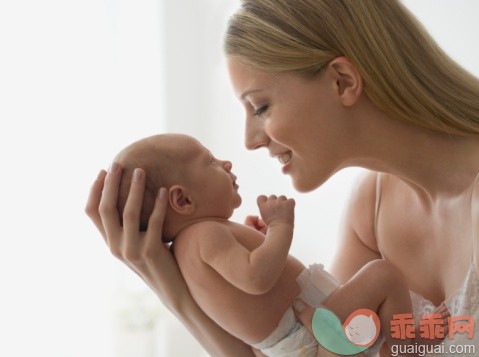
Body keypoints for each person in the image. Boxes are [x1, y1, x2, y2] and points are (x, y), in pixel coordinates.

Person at [86, 0, 479, 356]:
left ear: (342, 81)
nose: (250, 141)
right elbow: (320, 350)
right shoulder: (371, 207)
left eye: (260, 107)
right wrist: (169, 285)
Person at [113, 133, 447, 356]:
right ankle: (409, 343)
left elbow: (243, 289)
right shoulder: (204, 235)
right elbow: (257, 279)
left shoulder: (188, 251)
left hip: (294, 343)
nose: (226, 164)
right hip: (306, 333)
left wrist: (258, 242)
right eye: (211, 162)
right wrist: (279, 228)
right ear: (183, 199)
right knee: (382, 275)